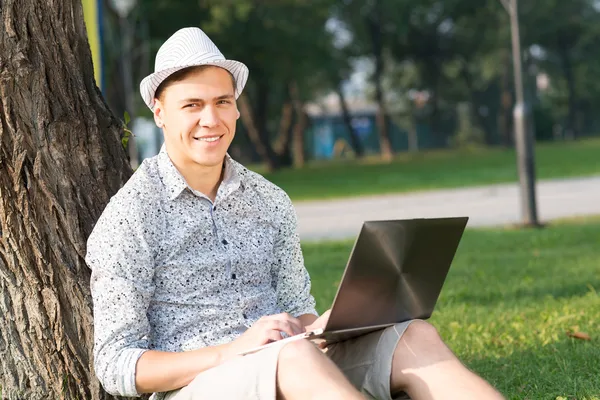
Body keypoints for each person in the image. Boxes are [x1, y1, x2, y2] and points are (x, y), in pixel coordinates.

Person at [86, 27, 504, 400]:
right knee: (295, 359)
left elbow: (296, 306)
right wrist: (235, 351)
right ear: (159, 112)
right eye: (191, 105)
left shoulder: (270, 201)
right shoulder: (131, 215)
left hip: (292, 360)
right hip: (201, 385)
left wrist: (323, 327)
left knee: (415, 336)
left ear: (236, 108)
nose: (210, 119)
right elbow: (116, 366)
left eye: (222, 102)